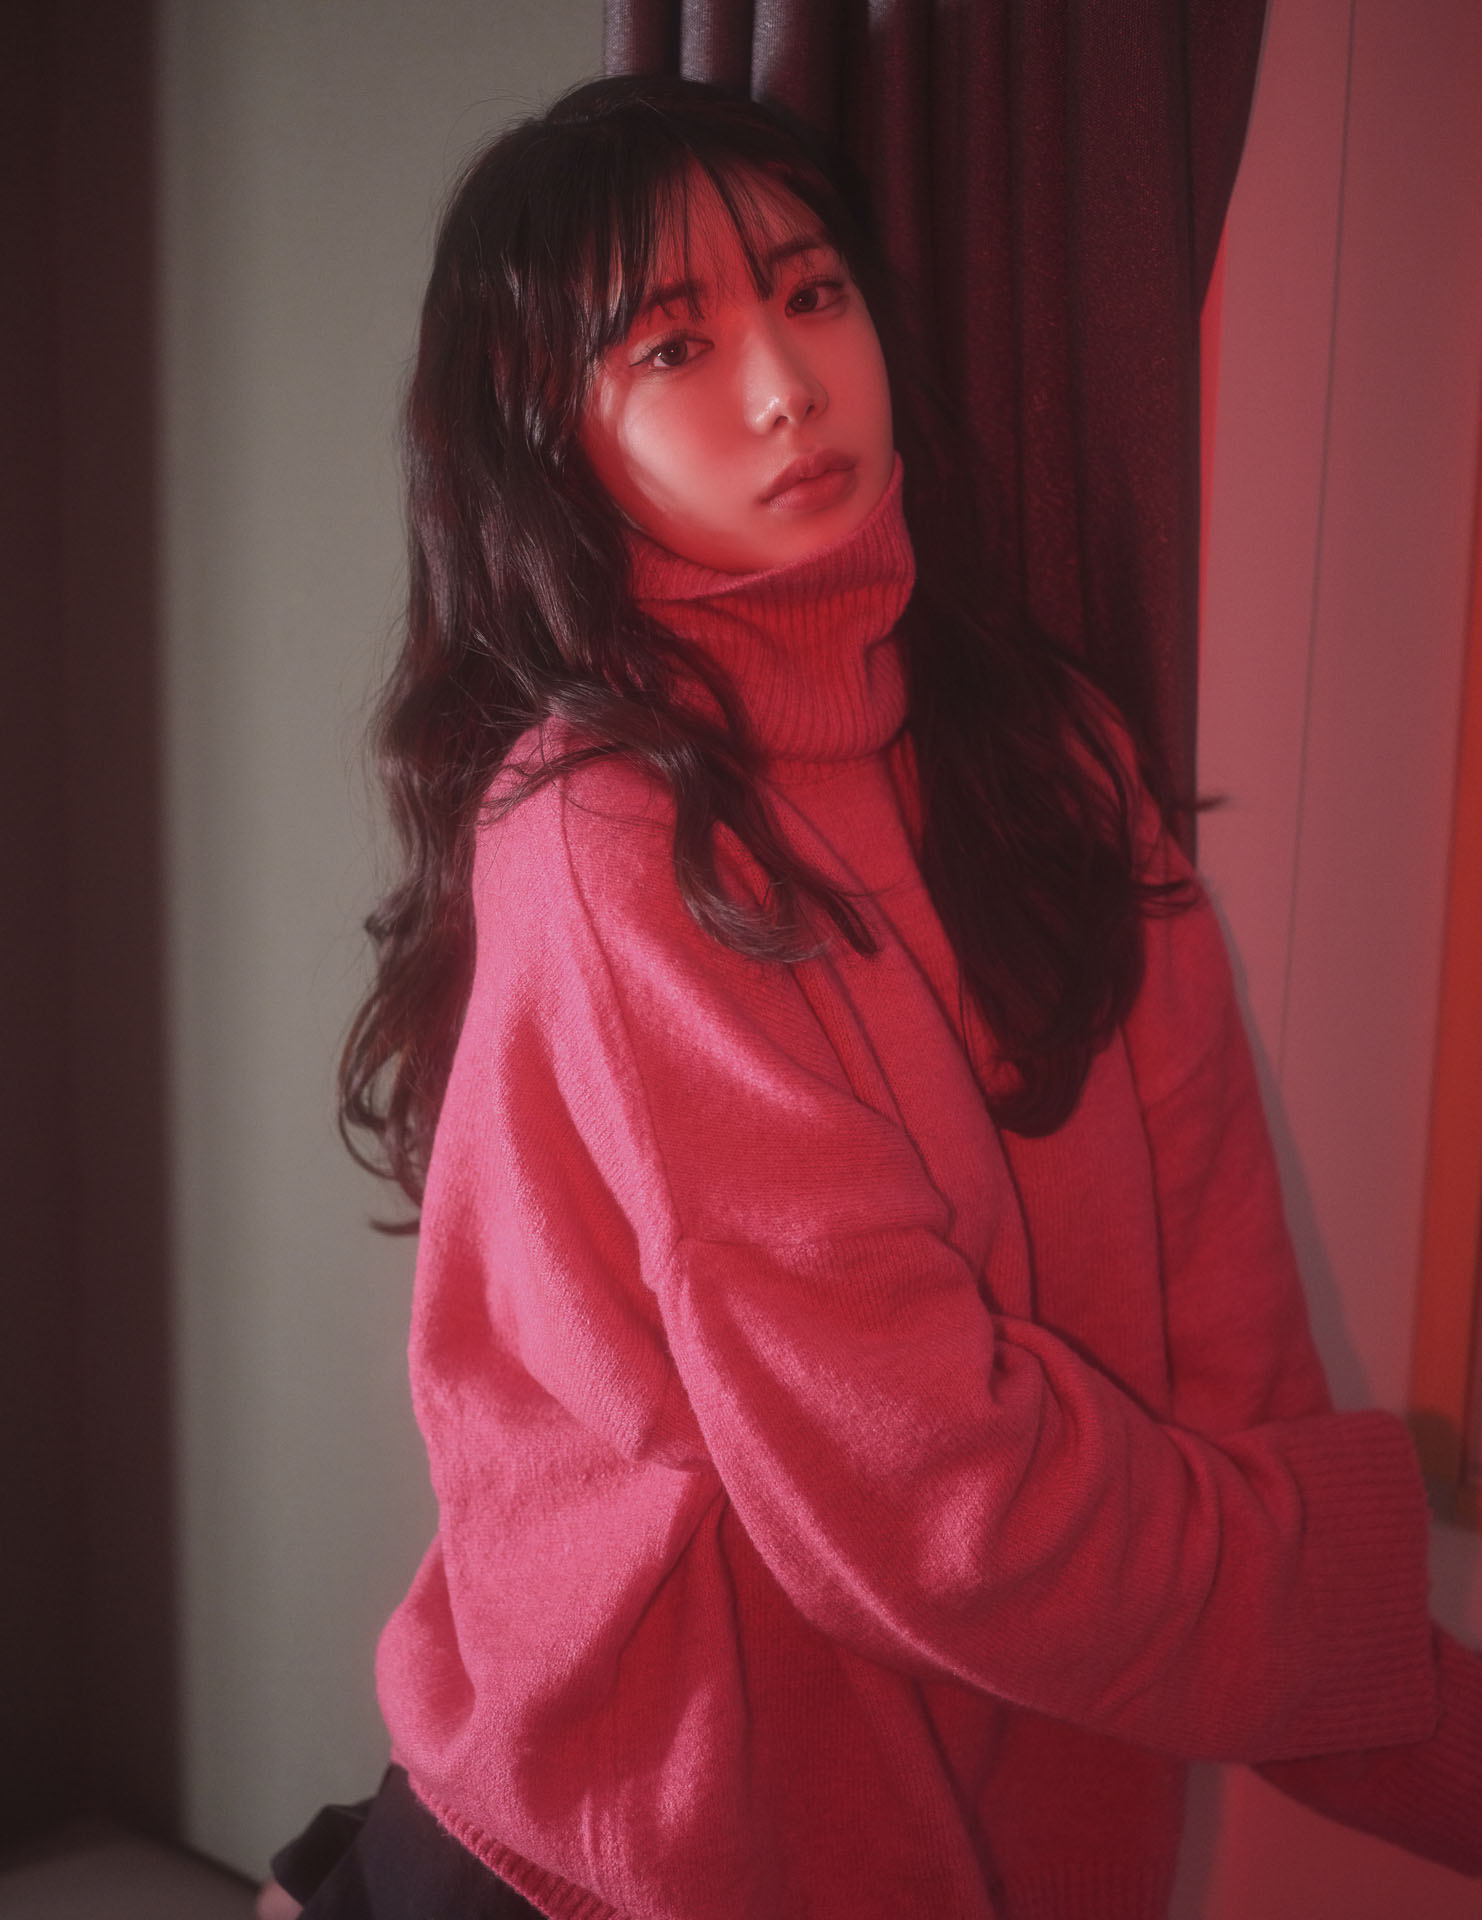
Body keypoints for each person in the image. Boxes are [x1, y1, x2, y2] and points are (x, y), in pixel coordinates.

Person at [261, 71, 1482, 1920]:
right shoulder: (607, 836)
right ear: (543, 436)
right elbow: (932, 1502)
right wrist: (1347, 1589)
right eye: (673, 345)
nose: (784, 387)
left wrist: (1400, 1686)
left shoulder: (1053, 760)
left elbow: (1236, 1411)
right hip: (635, 1851)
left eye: (810, 294)